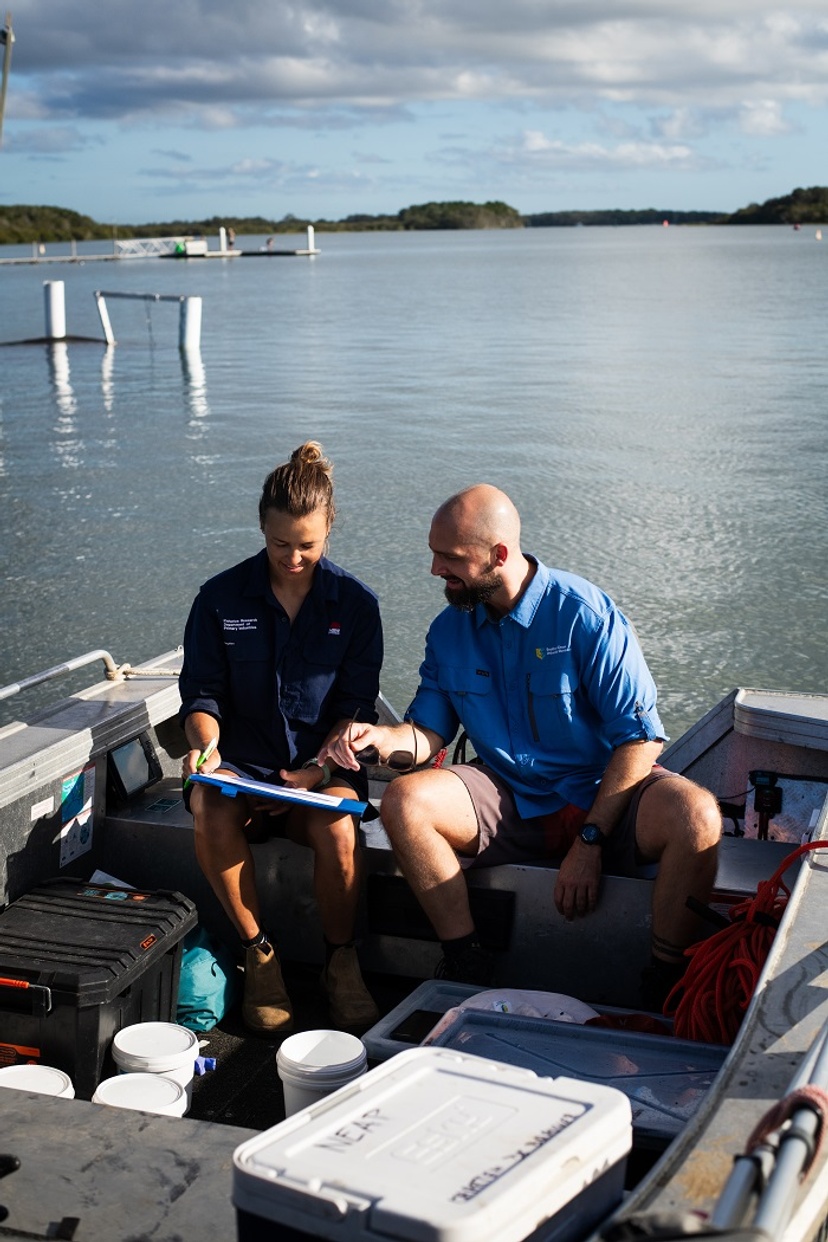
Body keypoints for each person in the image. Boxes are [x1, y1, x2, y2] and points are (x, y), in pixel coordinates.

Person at [323, 484, 722, 1009]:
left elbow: (640, 739)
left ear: (499, 556)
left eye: (450, 558)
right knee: (404, 800)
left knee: (696, 815)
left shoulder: (584, 615)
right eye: (433, 554)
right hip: (508, 796)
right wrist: (378, 739)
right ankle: (466, 961)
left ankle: (665, 986)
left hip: (602, 796)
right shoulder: (449, 630)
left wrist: (590, 841)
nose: (436, 570)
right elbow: (426, 734)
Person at [179, 442, 382, 1034]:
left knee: (340, 827)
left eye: (307, 545)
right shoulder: (218, 599)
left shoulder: (358, 605)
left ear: (329, 530)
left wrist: (319, 769)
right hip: (242, 769)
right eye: (279, 544)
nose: (293, 557)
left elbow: (354, 707)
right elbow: (203, 697)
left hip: (322, 769)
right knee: (208, 805)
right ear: (261, 528)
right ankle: (259, 954)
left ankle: (340, 961)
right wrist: (205, 746)